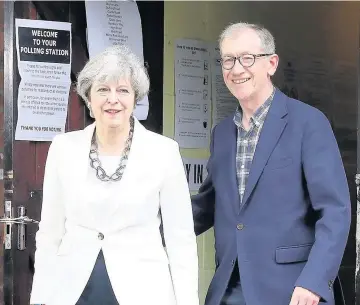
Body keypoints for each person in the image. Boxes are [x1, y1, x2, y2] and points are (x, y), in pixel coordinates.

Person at [192, 22, 351, 305]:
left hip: (292, 291)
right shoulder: (222, 134)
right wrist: (141, 225)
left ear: (271, 64)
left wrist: (314, 281)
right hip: (230, 289)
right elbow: (206, 206)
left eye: (247, 58)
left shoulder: (308, 123)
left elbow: (335, 211)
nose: (236, 69)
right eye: (228, 60)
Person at [30, 45, 199, 305]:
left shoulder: (163, 152)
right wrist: (40, 297)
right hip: (72, 291)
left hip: (143, 292)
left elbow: (181, 241)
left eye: (123, 90)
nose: (113, 99)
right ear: (88, 97)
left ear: (134, 97)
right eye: (103, 90)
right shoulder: (63, 148)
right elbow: (50, 233)